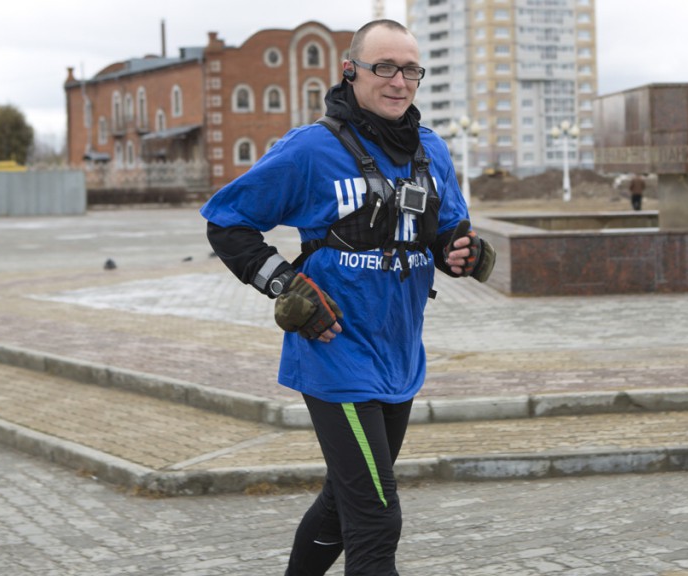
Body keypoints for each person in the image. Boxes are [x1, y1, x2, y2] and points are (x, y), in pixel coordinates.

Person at [200, 19, 495, 575]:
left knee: (344, 504)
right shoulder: (312, 149)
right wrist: (285, 284)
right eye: (384, 67)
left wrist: (462, 252)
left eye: (410, 69)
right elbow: (226, 220)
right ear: (351, 71)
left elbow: (448, 231)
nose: (398, 81)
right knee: (377, 520)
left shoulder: (431, 151)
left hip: (400, 358)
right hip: (337, 357)